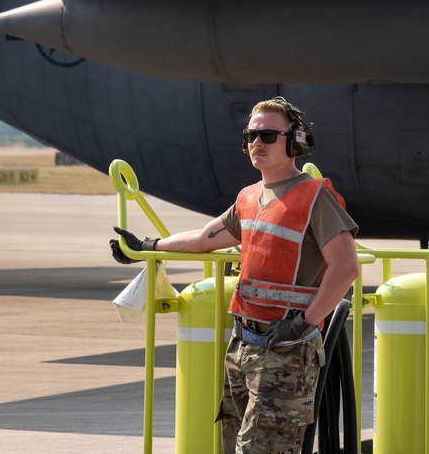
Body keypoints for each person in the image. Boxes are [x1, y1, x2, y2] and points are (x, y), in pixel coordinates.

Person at [110, 96, 359, 454]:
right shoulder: (249, 198)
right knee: (234, 445)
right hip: (243, 344)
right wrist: (148, 245)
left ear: (295, 142)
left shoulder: (314, 197)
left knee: (262, 450)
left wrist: (306, 322)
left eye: (269, 136)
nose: (257, 142)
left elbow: (346, 266)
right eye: (251, 135)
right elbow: (202, 239)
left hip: (286, 348)